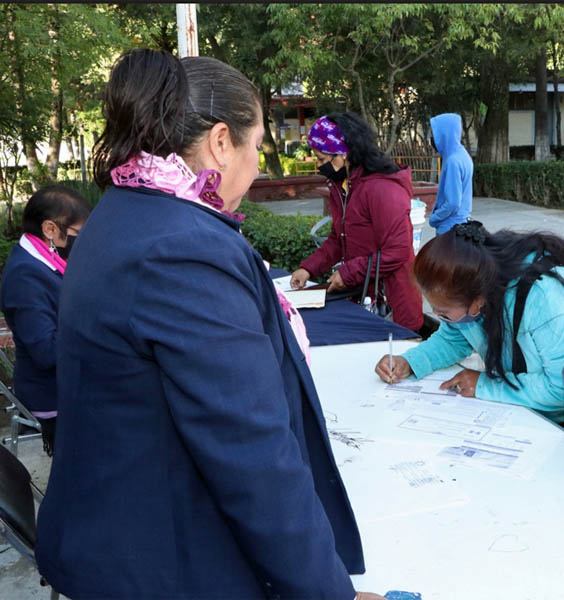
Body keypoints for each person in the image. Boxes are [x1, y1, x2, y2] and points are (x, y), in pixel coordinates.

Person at [34, 48, 384, 600]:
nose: (258, 162)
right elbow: (252, 456)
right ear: (222, 141)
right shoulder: (183, 248)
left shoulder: (127, 209)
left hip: (122, 522)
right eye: (257, 144)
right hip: (160, 561)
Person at [374, 221, 564, 423]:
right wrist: (411, 362)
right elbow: (455, 336)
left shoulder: (547, 296)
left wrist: (483, 385)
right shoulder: (477, 285)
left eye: (444, 312)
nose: (441, 317)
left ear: (478, 301)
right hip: (538, 402)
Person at [290, 113, 424, 333]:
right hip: (364, 297)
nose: (319, 166)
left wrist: (348, 272)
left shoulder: (382, 188)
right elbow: (338, 239)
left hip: (392, 303)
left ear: (343, 153)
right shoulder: (342, 186)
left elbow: (398, 250)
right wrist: (308, 269)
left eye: (322, 159)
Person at [0, 185, 89, 456]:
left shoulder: (48, 262)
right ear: (50, 229)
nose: (83, 240)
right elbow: (47, 351)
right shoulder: (25, 276)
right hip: (52, 393)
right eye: (77, 233)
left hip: (68, 380)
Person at [428, 113, 473, 233]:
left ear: (444, 134)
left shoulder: (453, 161)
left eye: (434, 134)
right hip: (462, 223)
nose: (432, 139)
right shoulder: (463, 154)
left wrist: (434, 218)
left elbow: (452, 203)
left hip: (450, 228)